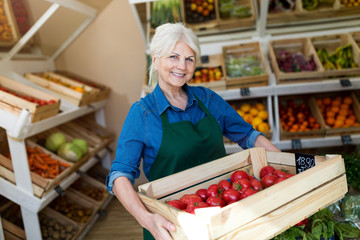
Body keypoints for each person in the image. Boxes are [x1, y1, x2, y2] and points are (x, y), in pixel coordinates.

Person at [106, 22, 280, 240]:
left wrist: (286, 167)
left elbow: (248, 136)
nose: (182, 66)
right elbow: (120, 175)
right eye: (173, 57)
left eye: (189, 59)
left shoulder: (207, 98)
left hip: (222, 209)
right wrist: (146, 219)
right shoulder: (142, 113)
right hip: (172, 222)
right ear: (156, 59)